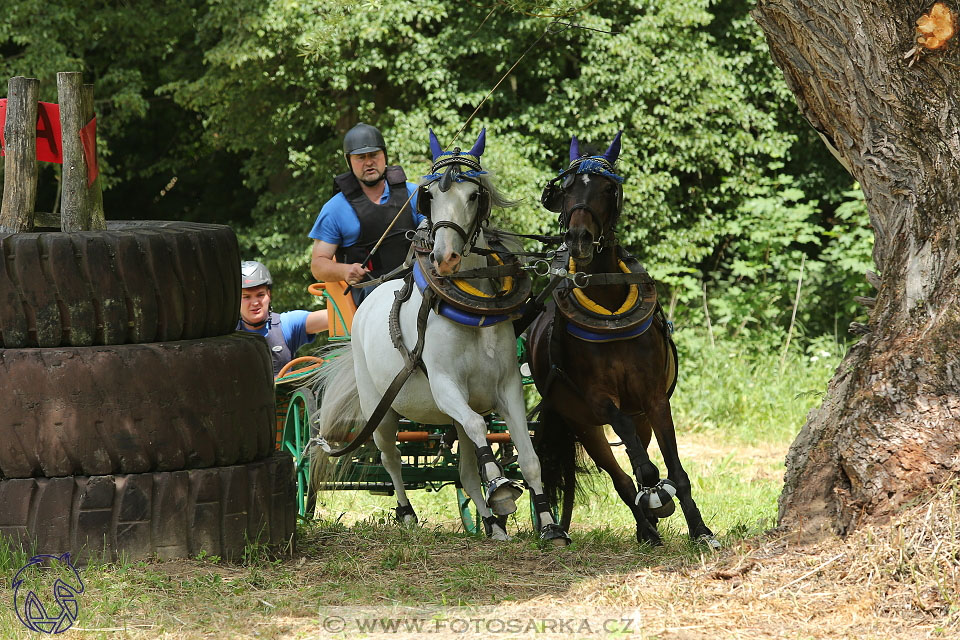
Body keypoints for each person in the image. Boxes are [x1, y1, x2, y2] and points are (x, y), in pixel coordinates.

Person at [308, 122, 425, 306]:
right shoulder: (335, 208)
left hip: (419, 285)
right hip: (371, 296)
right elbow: (318, 265)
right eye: (360, 157)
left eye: (374, 155)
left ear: (384, 156)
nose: (369, 162)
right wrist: (345, 271)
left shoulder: (413, 194)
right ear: (349, 161)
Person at [237, 260, 328, 376]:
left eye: (260, 295)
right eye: (246, 297)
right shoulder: (226, 334)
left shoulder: (286, 324)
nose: (255, 303)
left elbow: (333, 317)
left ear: (268, 295)